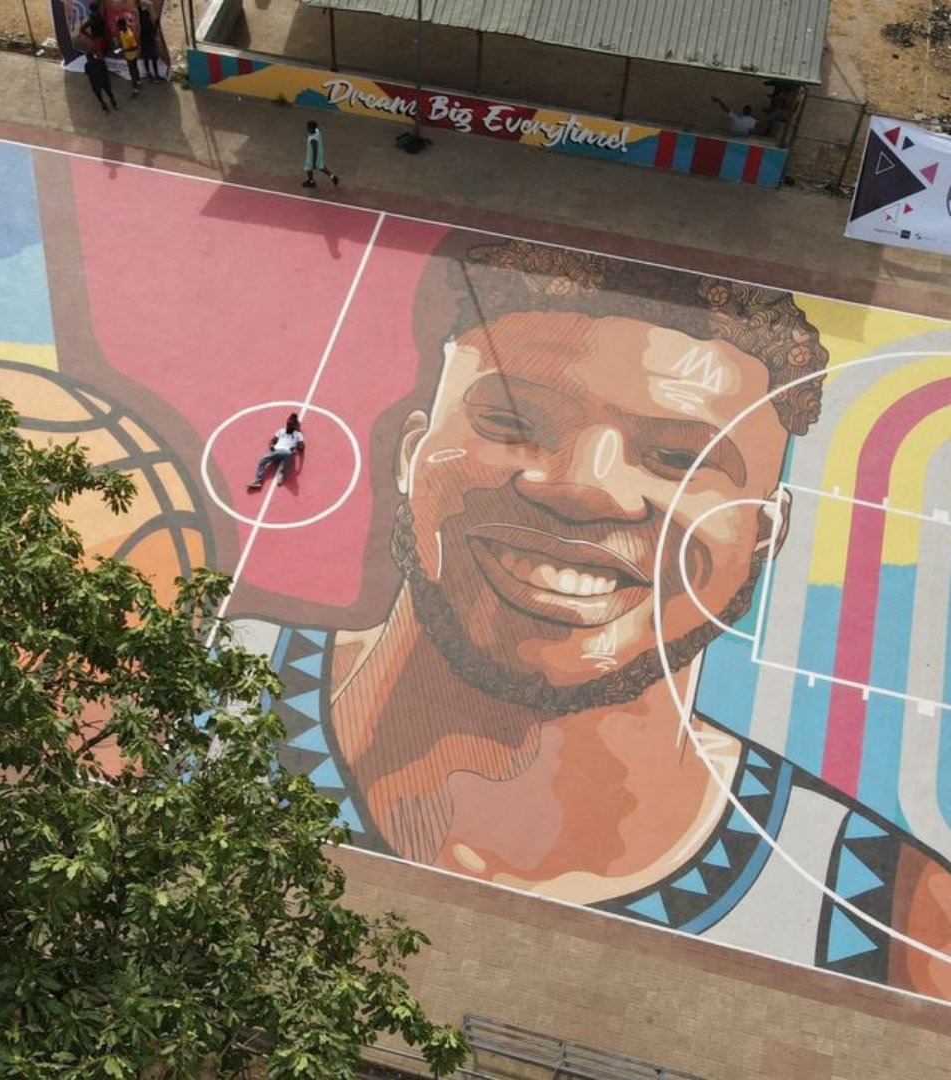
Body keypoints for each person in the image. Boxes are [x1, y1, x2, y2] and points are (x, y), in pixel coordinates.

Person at [243, 234, 951, 999]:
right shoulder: (166, 699)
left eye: (683, 460)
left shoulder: (894, 918)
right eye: (513, 420)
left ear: (765, 535)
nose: (587, 487)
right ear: (411, 454)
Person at [248, 413, 304, 489]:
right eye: (287, 424)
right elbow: (272, 440)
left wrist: (295, 448)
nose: (287, 426)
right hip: (276, 451)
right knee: (262, 460)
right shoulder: (281, 431)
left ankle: (281, 474)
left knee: (287, 454)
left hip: (287, 452)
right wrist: (271, 446)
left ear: (294, 426)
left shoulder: (298, 434)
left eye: (290, 425)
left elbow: (302, 446)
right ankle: (258, 481)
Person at [303, 120, 339, 189]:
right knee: (321, 167)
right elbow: (319, 128)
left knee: (308, 168)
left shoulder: (313, 139)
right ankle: (333, 176)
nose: (306, 128)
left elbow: (314, 150)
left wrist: (313, 163)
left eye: (307, 127)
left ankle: (311, 182)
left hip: (312, 156)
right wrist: (320, 128)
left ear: (310, 129)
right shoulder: (316, 131)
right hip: (320, 153)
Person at [116, 17, 142, 96]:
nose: (118, 27)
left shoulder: (130, 35)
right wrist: (120, 46)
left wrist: (124, 50)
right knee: (134, 68)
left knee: (132, 71)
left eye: (119, 26)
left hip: (132, 55)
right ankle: (138, 80)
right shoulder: (121, 32)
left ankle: (135, 87)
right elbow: (122, 41)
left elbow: (135, 46)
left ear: (123, 25)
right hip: (127, 55)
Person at [137, 1, 162, 81]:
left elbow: (154, 19)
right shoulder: (139, 11)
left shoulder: (148, 9)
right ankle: (150, 73)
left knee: (152, 56)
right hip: (145, 36)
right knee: (147, 56)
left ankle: (154, 73)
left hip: (148, 36)